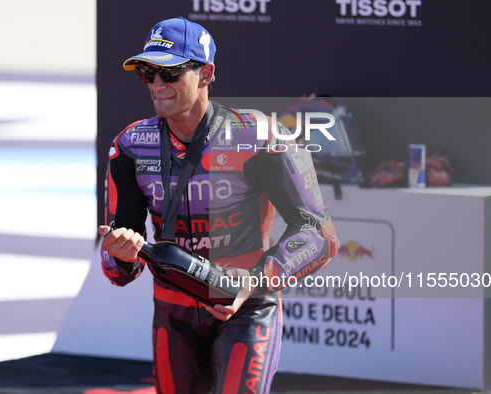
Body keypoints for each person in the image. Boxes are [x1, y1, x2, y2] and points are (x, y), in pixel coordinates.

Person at [98, 17, 340, 394]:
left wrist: (252, 282)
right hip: (172, 312)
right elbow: (117, 268)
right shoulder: (130, 145)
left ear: (206, 73)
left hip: (246, 309)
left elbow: (320, 235)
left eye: (171, 72)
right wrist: (121, 253)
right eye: (148, 73)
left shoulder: (261, 137)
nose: (158, 85)